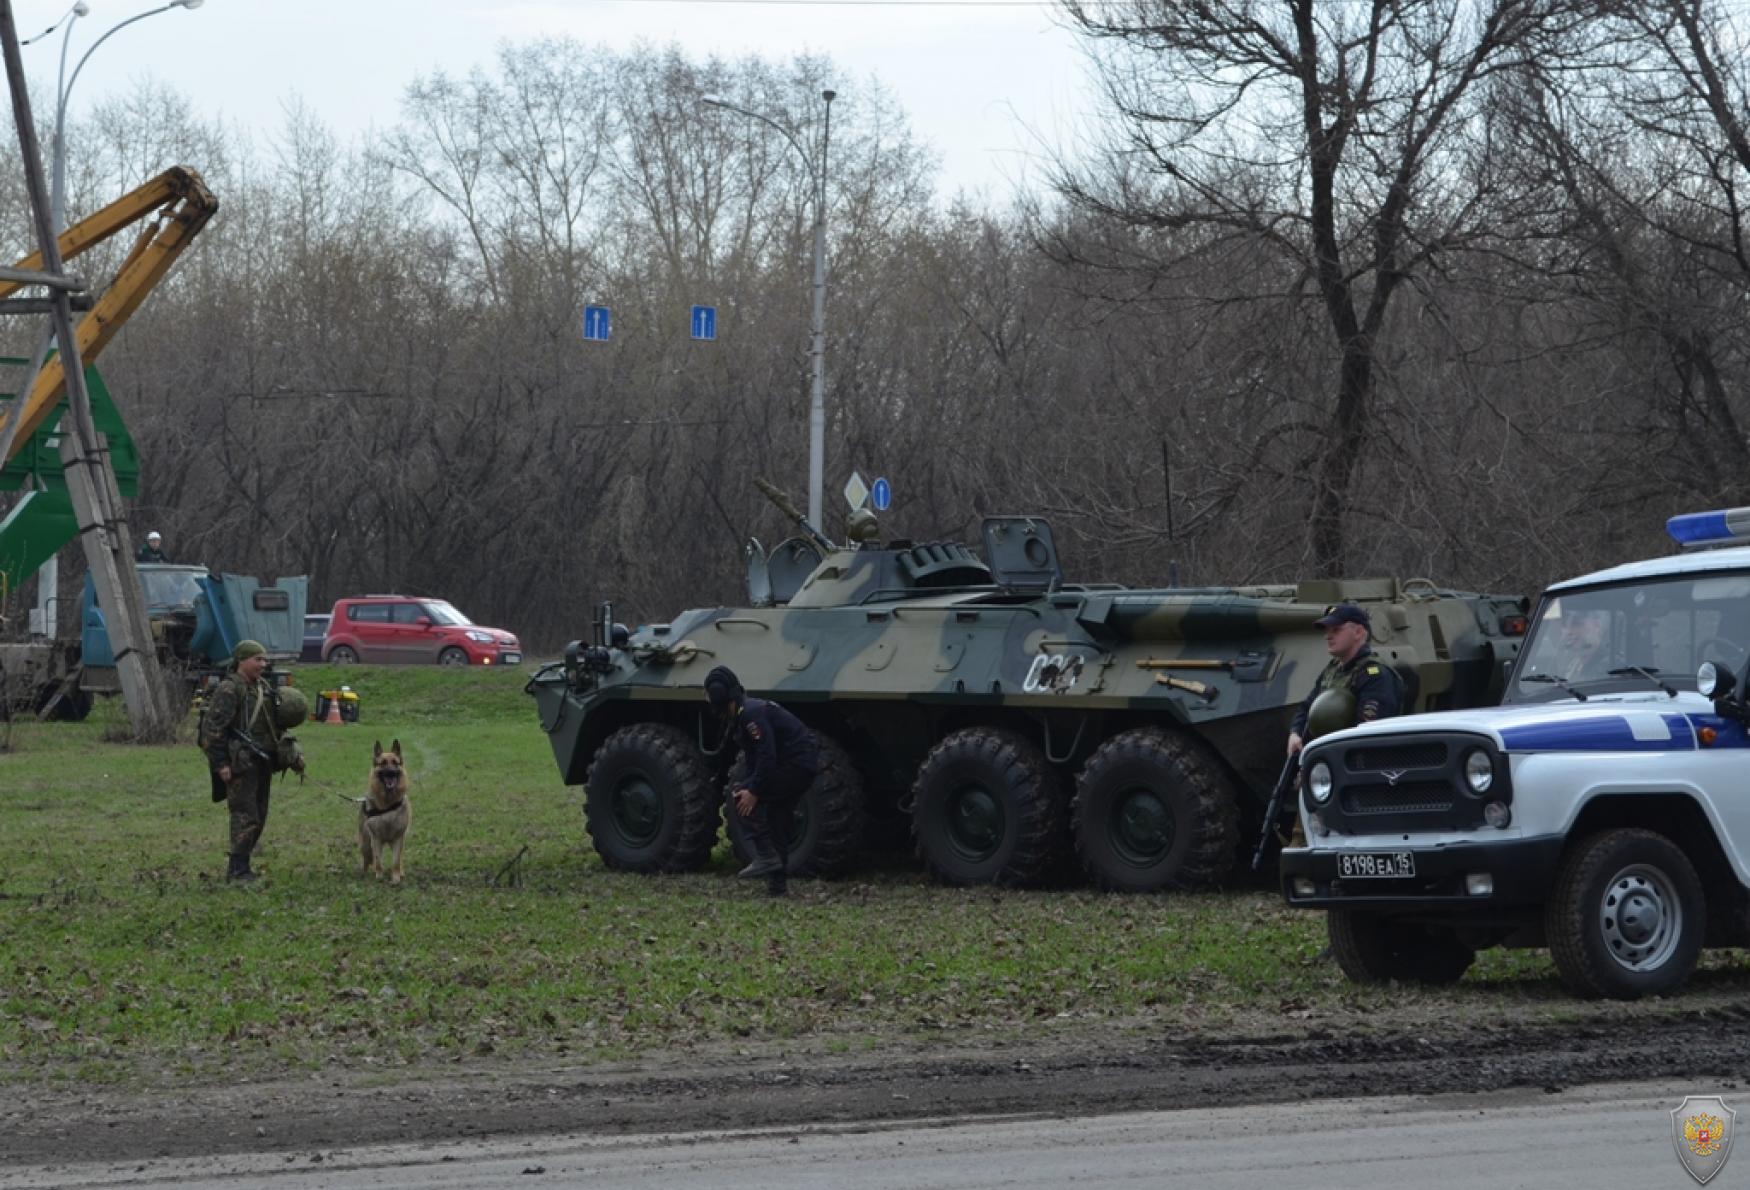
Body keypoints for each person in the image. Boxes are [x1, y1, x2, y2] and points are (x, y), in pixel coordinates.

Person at [706, 665, 819, 897]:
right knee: (777, 819)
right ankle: (778, 887)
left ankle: (767, 856)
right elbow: (755, 760)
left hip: (796, 767)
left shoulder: (750, 715)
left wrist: (753, 790)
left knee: (740, 797)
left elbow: (767, 757)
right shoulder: (745, 714)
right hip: (795, 765)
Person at [198, 639, 297, 883]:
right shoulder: (230, 689)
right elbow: (212, 731)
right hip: (240, 763)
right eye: (257, 659)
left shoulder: (261, 687)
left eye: (264, 660)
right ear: (242, 660)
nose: (263, 665)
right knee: (245, 815)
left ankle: (244, 865)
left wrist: (291, 754)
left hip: (263, 761)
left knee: (260, 815)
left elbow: (275, 727)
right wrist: (221, 764)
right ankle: (237, 870)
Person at [1287, 602, 1404, 759]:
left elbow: (1369, 732)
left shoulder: (1375, 675)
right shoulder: (1333, 670)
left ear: (1358, 632)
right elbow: (1307, 706)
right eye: (1327, 631)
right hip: (1327, 759)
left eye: (1336, 630)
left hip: (1358, 763)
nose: (1328, 636)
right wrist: (1295, 733)